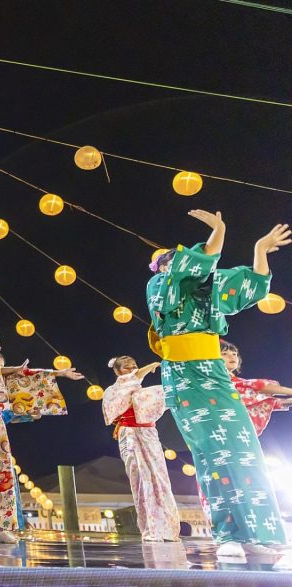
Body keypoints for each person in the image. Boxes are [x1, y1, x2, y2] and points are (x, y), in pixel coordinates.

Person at [146, 211, 290, 558]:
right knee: (212, 450)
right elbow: (194, 265)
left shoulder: (205, 289)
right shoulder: (159, 286)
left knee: (244, 447)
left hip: (214, 371)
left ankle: (260, 532)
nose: (177, 264)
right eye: (171, 261)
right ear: (163, 267)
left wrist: (259, 250)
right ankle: (227, 535)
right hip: (184, 372)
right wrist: (219, 233)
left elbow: (249, 286)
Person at [0, 334, 82, 544]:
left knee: (3, 477)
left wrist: (58, 373)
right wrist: (11, 370)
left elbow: (27, 375)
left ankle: (1, 527)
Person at [102, 356, 180, 542]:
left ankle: (168, 529)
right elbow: (132, 380)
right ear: (117, 372)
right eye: (126, 367)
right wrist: (150, 366)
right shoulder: (113, 391)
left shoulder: (143, 393)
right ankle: (150, 530)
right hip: (129, 434)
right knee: (140, 480)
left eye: (134, 366)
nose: (132, 370)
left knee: (160, 478)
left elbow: (166, 395)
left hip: (149, 433)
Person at [221, 340, 292, 436]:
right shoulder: (221, 381)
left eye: (235, 354)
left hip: (238, 432)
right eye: (224, 354)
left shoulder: (238, 383)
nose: (232, 357)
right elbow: (256, 387)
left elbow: (267, 403)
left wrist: (288, 401)